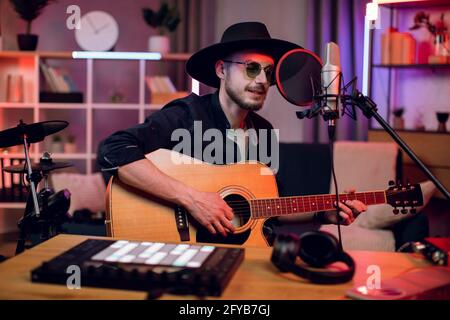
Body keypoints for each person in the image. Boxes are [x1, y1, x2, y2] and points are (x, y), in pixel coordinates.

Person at [97, 22, 367, 240]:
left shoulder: (262, 130)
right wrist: (192, 199)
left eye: (268, 72)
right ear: (221, 70)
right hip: (185, 254)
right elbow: (114, 150)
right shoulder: (186, 115)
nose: (262, 80)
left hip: (241, 251)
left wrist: (323, 213)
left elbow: (269, 207)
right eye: (251, 68)